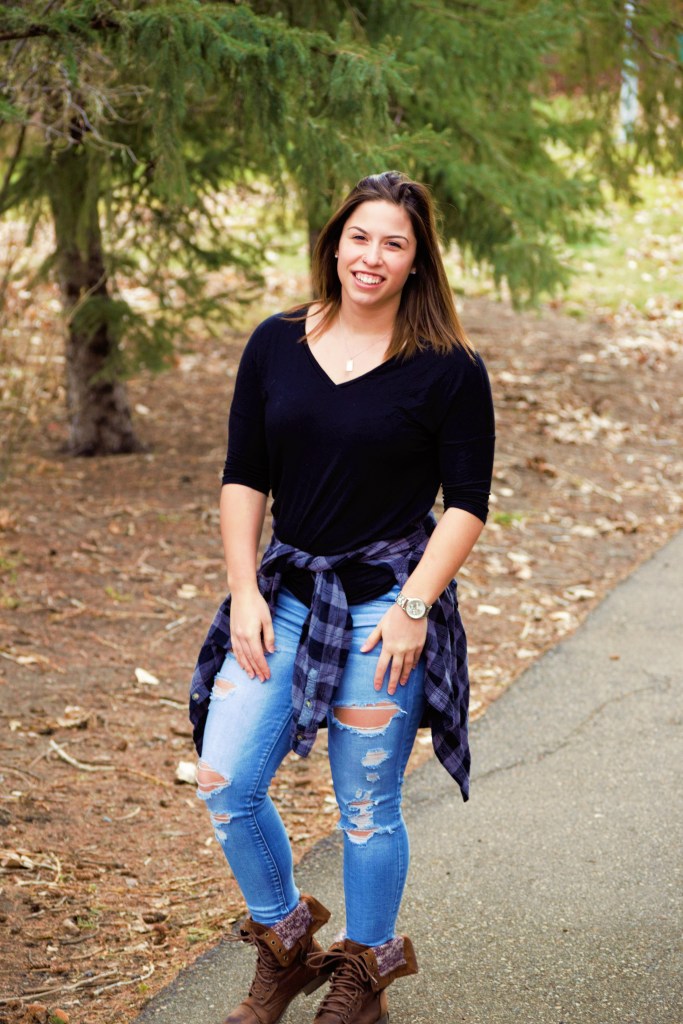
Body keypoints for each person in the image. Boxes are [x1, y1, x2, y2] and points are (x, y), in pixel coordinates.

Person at [189, 170, 495, 1024]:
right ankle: (287, 943)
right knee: (224, 782)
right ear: (333, 244)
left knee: (365, 806)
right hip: (284, 598)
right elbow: (244, 475)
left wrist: (414, 607)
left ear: (416, 261)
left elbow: (467, 502)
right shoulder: (275, 342)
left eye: (393, 243)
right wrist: (242, 591)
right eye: (359, 237)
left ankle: (362, 976)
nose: (372, 256)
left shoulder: (448, 368)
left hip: (381, 610)